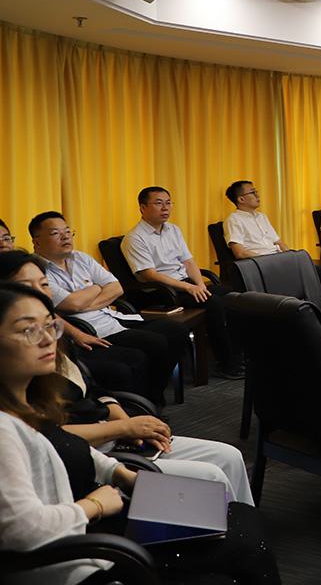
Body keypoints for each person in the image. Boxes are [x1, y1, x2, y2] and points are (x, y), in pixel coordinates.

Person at [0, 282, 281, 585]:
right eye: (28, 330)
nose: (47, 339)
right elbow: (23, 530)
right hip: (78, 556)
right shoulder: (4, 429)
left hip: (94, 522)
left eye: (49, 326)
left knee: (242, 521)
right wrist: (94, 506)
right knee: (241, 545)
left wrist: (120, 473)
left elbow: (65, 443)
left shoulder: (30, 400)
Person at [3, 253, 253, 504]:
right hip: (88, 457)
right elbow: (49, 438)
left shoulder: (55, 345)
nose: (39, 294)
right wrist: (122, 430)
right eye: (26, 286)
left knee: (229, 456)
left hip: (111, 439)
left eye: (44, 284)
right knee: (211, 477)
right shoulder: (17, 375)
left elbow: (91, 390)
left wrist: (127, 424)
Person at [31, 211, 188, 406]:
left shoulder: (81, 258)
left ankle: (152, 395)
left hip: (113, 317)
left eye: (68, 231)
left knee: (176, 330)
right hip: (92, 330)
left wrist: (86, 300)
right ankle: (147, 402)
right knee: (154, 344)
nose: (65, 237)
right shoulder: (36, 270)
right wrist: (97, 287)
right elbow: (73, 304)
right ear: (37, 242)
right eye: (56, 233)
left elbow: (116, 288)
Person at [121, 186, 243, 379]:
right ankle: (226, 364)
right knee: (213, 303)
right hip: (161, 292)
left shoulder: (173, 229)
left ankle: (238, 354)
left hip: (184, 284)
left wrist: (200, 284)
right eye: (158, 203)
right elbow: (149, 275)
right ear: (143, 208)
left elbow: (188, 261)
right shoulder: (135, 238)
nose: (165, 208)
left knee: (232, 296)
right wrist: (188, 287)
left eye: (168, 203)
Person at [224, 179, 321, 293]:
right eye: (253, 192)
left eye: (256, 191)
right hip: (263, 264)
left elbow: (278, 242)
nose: (257, 195)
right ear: (241, 199)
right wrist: (270, 259)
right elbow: (240, 253)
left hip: (279, 259)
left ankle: (310, 300)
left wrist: (289, 256)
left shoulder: (261, 216)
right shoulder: (234, 220)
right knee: (316, 276)